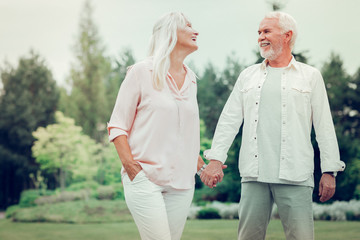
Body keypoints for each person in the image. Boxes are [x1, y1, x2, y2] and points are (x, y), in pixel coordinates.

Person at [201, 11, 346, 240]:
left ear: (287, 35)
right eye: (259, 32)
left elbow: (324, 127)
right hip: (254, 175)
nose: (260, 37)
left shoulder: (310, 76)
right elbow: (229, 119)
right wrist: (216, 160)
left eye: (267, 31)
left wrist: (329, 171)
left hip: (296, 175)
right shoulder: (247, 76)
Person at [107, 12, 210, 240]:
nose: (196, 31)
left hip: (182, 184)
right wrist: (133, 169)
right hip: (146, 179)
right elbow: (117, 126)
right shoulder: (141, 72)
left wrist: (202, 168)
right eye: (189, 26)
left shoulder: (192, 78)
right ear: (171, 32)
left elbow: (184, 134)